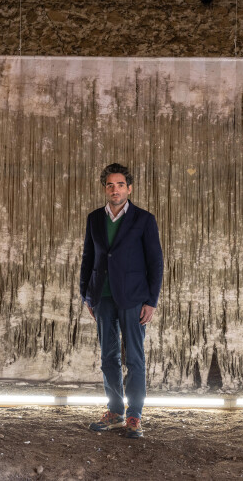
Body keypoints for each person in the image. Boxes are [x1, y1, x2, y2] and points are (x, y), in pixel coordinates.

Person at [79, 163, 164, 439]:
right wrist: (87, 295)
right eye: (109, 185)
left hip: (134, 298)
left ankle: (134, 415)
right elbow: (88, 259)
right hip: (102, 297)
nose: (114, 190)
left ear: (129, 188)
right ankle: (114, 410)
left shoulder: (144, 219)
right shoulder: (94, 219)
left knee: (135, 358)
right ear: (105, 188)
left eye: (120, 185)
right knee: (108, 357)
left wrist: (151, 300)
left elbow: (156, 262)